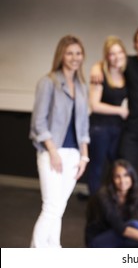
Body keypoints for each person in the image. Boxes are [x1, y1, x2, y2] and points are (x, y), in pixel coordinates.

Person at [90, 23, 138, 206]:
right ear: (135, 44)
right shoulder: (129, 64)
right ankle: (122, 210)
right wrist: (95, 67)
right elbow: (108, 61)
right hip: (131, 130)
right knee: (124, 173)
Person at [29, 35, 90, 247]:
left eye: (78, 53)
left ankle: (54, 250)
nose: (75, 57)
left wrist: (84, 156)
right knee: (51, 207)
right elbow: (39, 122)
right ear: (61, 55)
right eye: (70, 53)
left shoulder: (82, 86)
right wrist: (53, 152)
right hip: (51, 152)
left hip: (74, 155)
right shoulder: (48, 82)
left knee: (59, 207)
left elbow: (83, 127)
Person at [85, 36, 129, 196]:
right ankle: (95, 206)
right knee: (96, 166)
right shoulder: (100, 74)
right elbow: (94, 105)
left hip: (117, 127)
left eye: (119, 52)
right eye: (112, 54)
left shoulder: (125, 73)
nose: (116, 57)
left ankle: (110, 202)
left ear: (124, 53)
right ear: (106, 56)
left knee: (116, 167)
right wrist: (120, 110)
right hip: (99, 127)